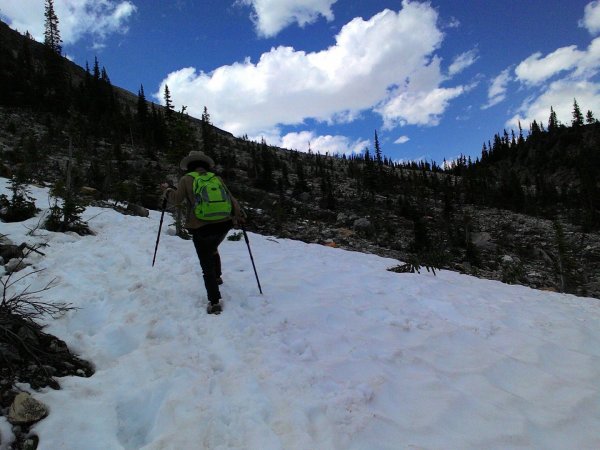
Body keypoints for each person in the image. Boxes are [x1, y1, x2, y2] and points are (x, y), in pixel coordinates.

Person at [161, 150, 243, 314]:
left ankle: (214, 302)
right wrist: (239, 216)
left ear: (189, 165)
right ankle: (218, 276)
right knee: (213, 248)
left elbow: (177, 200)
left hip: (201, 225)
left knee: (206, 264)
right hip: (223, 223)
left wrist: (167, 191)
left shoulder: (186, 179)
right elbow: (230, 198)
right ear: (205, 164)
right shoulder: (216, 178)